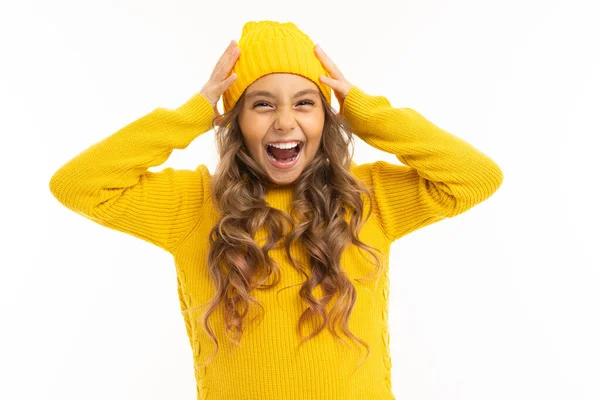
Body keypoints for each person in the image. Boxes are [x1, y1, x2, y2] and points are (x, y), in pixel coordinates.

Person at [49, 20, 503, 400]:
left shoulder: (368, 198)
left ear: (325, 118)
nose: (285, 121)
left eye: (305, 103)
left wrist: (365, 113)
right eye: (262, 104)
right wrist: (195, 112)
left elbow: (476, 176)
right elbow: (78, 185)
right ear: (236, 122)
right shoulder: (191, 205)